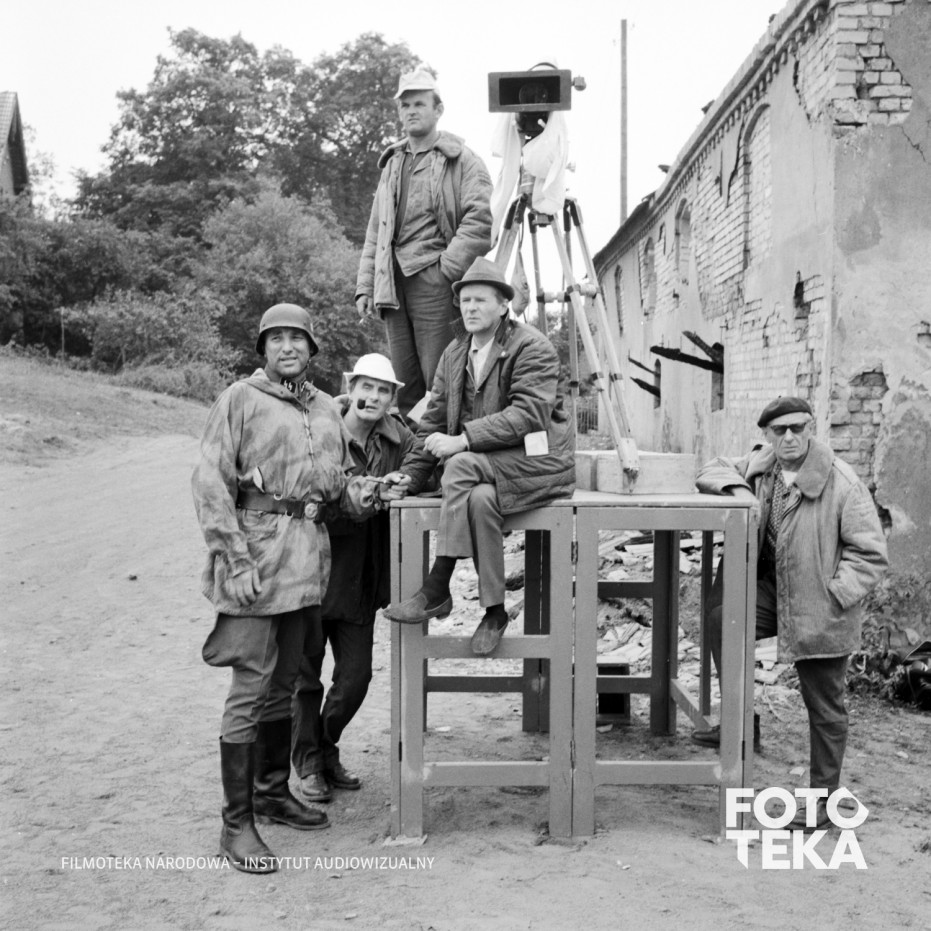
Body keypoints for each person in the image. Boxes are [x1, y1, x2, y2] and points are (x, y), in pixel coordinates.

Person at [192, 303, 379, 873]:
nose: (288, 346)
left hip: (306, 565)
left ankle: (272, 793)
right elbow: (210, 481)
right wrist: (233, 557)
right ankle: (235, 824)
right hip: (254, 559)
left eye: (298, 337)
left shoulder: (325, 408)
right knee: (250, 688)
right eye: (276, 338)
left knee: (283, 685)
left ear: (312, 348)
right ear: (263, 349)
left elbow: (336, 486)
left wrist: (367, 492)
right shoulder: (240, 399)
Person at [690, 396, 888, 829]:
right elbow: (710, 468)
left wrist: (833, 596)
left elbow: (871, 555)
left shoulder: (841, 482)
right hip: (770, 592)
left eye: (798, 428)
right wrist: (740, 492)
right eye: (779, 430)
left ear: (811, 427)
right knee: (721, 616)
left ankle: (824, 802)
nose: (790, 437)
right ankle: (741, 723)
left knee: (825, 705)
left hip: (819, 601)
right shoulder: (761, 465)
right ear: (767, 435)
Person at [382, 257, 575, 655]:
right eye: (465, 300)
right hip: (484, 474)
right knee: (481, 498)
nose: (470, 308)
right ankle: (495, 610)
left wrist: (463, 440)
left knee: (459, 463)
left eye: (480, 300)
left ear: (503, 305)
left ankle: (438, 584)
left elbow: (528, 416)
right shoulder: (454, 354)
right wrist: (410, 478)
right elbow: (432, 423)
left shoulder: (532, 347)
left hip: (538, 462)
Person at [291, 354, 421, 803]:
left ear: (392, 398)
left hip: (362, 574)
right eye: (367, 387)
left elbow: (422, 459)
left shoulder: (397, 435)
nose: (373, 397)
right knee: (305, 678)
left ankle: (324, 746)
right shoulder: (321, 427)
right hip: (312, 568)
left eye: (383, 390)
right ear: (351, 387)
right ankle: (309, 763)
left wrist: (408, 480)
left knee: (356, 678)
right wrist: (375, 491)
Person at [355, 67, 493, 418]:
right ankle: (410, 453)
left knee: (441, 384)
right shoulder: (392, 164)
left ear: (438, 109)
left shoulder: (462, 160)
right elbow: (376, 231)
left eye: (419, 104)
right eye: (405, 105)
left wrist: (444, 272)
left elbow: (479, 223)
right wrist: (365, 286)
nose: (411, 111)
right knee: (403, 386)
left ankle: (446, 452)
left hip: (435, 285)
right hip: (392, 288)